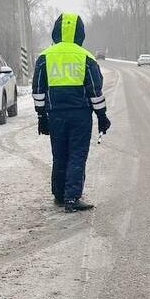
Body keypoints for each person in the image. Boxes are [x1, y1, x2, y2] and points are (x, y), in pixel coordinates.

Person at [32, 13, 111, 213]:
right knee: (77, 154)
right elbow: (95, 90)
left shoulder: (45, 57)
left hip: (55, 114)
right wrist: (102, 116)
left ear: (56, 31)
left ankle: (59, 195)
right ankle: (72, 197)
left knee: (59, 154)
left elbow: (38, 90)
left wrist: (41, 116)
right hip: (80, 116)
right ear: (80, 33)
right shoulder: (86, 57)